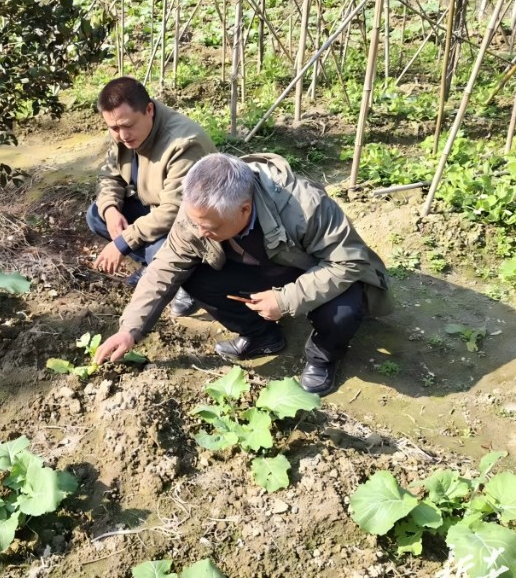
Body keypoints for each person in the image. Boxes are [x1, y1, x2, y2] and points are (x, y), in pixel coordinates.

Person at [94, 152, 393, 396]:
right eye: (196, 223)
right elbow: (164, 268)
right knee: (195, 278)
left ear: (244, 209)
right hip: (261, 263)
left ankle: (323, 356)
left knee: (342, 312)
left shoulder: (303, 205)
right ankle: (262, 335)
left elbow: (348, 261)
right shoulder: (200, 210)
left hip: (313, 268)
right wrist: (129, 329)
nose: (199, 232)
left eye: (209, 227)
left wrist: (286, 299)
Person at [86, 76, 215, 317]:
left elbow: (176, 211)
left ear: (149, 110)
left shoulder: (184, 143)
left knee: (162, 249)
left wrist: (124, 242)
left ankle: (187, 282)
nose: (122, 135)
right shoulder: (125, 132)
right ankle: (155, 267)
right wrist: (111, 210)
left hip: (194, 225)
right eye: (114, 128)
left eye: (127, 125)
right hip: (154, 206)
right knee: (97, 215)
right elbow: (109, 177)